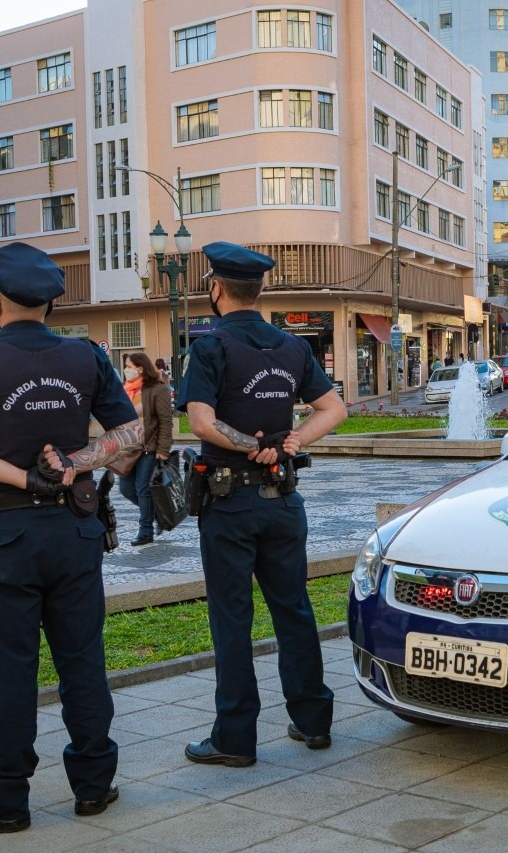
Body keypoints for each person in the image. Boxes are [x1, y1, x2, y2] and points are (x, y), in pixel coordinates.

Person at [0, 242, 143, 833]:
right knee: (83, 662)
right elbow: (130, 433)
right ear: (52, 300)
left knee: (10, 669)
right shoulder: (85, 356)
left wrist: (26, 475)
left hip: (6, 534)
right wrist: (75, 462)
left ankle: (3, 800)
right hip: (75, 531)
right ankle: (94, 785)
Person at [178, 241, 347, 766]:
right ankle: (313, 720)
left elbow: (200, 423)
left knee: (233, 617)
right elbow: (333, 409)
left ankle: (234, 739)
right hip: (283, 500)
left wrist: (251, 445)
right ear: (261, 290)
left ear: (216, 288)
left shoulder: (209, 346)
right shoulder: (291, 346)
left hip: (230, 503)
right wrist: (294, 440)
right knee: (293, 608)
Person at [118, 352, 173, 547]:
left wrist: (163, 449)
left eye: (129, 366)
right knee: (125, 488)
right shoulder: (125, 389)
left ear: (140, 368)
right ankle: (158, 514)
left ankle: (145, 531)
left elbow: (166, 421)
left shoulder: (158, 389)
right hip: (128, 448)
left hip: (149, 447)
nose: (126, 370)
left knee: (143, 488)